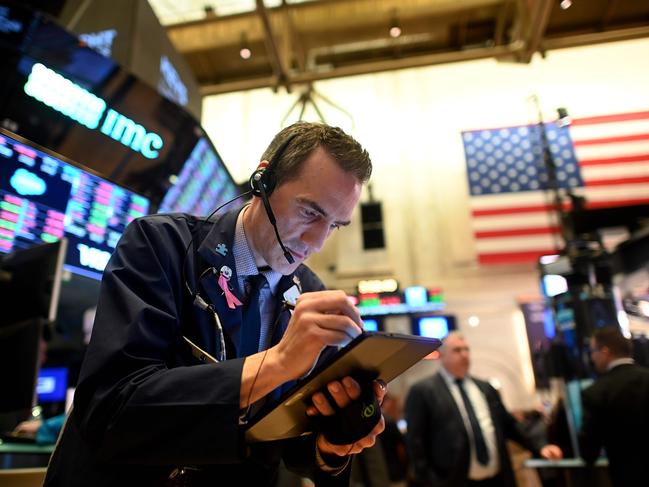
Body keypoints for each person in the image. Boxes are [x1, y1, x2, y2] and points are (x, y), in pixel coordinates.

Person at [44, 121, 386, 486]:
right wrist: (278, 363)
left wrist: (332, 443)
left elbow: (285, 446)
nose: (317, 242)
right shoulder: (160, 245)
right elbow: (112, 409)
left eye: (335, 225)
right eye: (310, 212)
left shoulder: (310, 293)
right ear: (262, 181)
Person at [405, 331, 562, 487]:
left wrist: (540, 446)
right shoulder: (423, 391)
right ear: (442, 356)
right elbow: (416, 442)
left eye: (467, 349)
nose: (464, 354)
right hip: (452, 481)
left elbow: (510, 425)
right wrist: (428, 480)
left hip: (496, 479)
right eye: (457, 350)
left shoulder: (484, 388)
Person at [580, 326, 649, 487]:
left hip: (628, 477)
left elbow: (589, 451)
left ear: (604, 351)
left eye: (593, 351)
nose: (592, 357)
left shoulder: (596, 392)